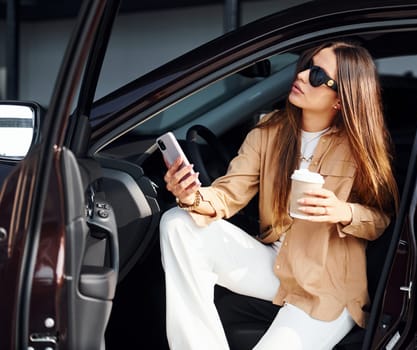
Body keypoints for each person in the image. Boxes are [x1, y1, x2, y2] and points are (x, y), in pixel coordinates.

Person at [159, 41, 399, 350]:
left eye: (316, 75)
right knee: (177, 222)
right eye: (305, 66)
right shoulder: (268, 132)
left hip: (326, 286)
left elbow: (381, 219)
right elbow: (228, 194)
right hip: (276, 264)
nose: (300, 76)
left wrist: (345, 212)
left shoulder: (359, 148)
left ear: (340, 99)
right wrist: (190, 195)